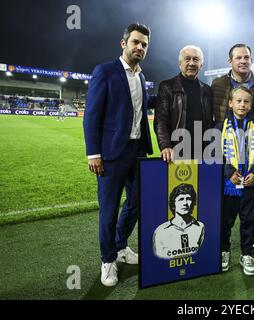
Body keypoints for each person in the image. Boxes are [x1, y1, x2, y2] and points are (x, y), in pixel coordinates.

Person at [83, 23, 153, 287]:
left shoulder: (142, 77)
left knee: (137, 202)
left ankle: (121, 245)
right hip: (111, 154)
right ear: (123, 43)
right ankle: (108, 259)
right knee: (109, 209)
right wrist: (93, 153)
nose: (140, 47)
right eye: (135, 42)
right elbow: (91, 116)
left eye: (144, 44)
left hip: (137, 151)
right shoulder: (105, 71)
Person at [211, 43, 254, 256]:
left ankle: (253, 234)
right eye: (239, 57)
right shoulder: (218, 83)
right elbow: (211, 112)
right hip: (227, 145)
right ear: (231, 61)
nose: (243, 61)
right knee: (226, 209)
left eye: (247, 57)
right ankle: (223, 246)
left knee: (253, 198)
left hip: (253, 142)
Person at [216, 86, 254, 276]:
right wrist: (228, 171)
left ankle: (246, 254)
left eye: (246, 101)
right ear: (230, 103)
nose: (242, 104)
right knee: (225, 223)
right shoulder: (220, 127)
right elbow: (215, 155)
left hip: (250, 185)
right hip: (228, 186)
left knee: (248, 222)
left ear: (250, 104)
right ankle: (224, 251)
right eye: (238, 101)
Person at [154, 45, 214, 162]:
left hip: (203, 154)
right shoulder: (167, 86)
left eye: (196, 59)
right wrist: (165, 145)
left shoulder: (207, 90)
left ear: (201, 64)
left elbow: (210, 123)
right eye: (187, 59)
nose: (191, 63)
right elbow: (161, 120)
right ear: (180, 63)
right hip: (176, 153)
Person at [153, 184, 205, 259]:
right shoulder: (160, 231)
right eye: (181, 199)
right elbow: (159, 260)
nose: (185, 203)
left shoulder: (200, 226)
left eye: (188, 199)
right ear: (174, 204)